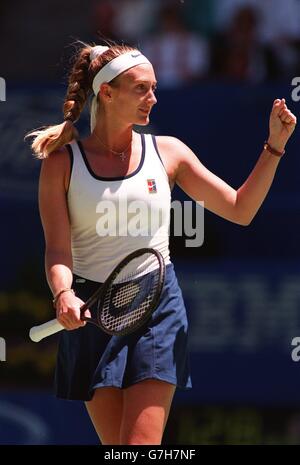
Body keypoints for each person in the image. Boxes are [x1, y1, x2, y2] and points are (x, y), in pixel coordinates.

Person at [27, 42, 296, 445]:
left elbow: (241, 209)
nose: (152, 97)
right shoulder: (61, 164)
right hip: (91, 310)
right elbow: (58, 249)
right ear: (107, 92)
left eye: (153, 87)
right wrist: (63, 293)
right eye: (141, 88)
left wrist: (274, 146)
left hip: (157, 306)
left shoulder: (168, 153)